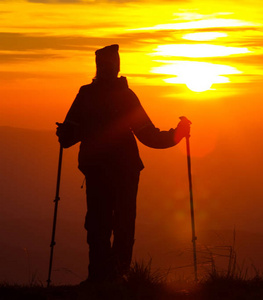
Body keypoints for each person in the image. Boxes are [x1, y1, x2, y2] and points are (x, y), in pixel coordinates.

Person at [56, 44, 191, 284]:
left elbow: (68, 138)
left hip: (97, 169)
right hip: (125, 170)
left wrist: (65, 133)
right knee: (123, 222)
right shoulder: (125, 97)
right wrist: (177, 135)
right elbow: (148, 135)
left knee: (98, 223)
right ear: (117, 66)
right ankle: (119, 275)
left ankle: (99, 277)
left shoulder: (86, 95)